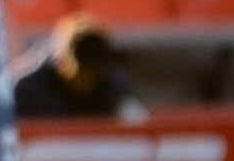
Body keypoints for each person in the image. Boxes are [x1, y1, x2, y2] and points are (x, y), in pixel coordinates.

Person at [15, 14, 146, 119]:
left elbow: (135, 123)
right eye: (79, 74)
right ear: (61, 62)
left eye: (91, 72)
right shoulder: (27, 88)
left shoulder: (113, 83)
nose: (84, 80)